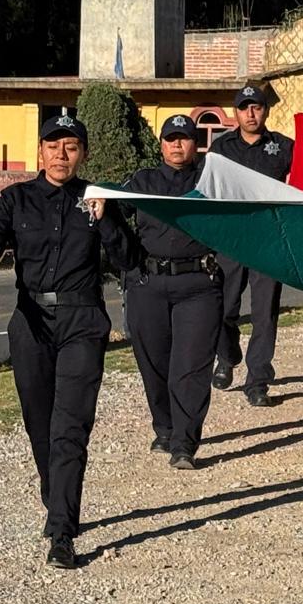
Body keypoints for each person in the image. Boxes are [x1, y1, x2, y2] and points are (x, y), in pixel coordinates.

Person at [0, 115, 137, 570]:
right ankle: (55, 493)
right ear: (40, 151)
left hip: (82, 319)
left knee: (70, 426)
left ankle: (62, 530)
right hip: (32, 320)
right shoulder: (16, 199)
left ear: (83, 154)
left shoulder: (96, 200)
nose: (62, 154)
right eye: (54, 146)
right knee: (40, 422)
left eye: (72, 146)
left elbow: (128, 258)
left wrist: (106, 221)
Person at [121, 114, 223, 470]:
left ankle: (185, 442)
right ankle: (164, 428)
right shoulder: (142, 181)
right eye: (170, 138)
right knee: (154, 364)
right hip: (149, 284)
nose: (177, 145)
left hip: (198, 285)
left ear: (196, 144)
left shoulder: (212, 180)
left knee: (191, 366)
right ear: (161, 144)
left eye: (184, 138)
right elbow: (114, 213)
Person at [210, 84, 295, 406]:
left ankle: (257, 380)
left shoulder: (283, 147)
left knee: (264, 314)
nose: (250, 113)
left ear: (266, 110)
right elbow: (208, 191)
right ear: (236, 112)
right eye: (244, 107)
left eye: (256, 107)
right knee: (223, 308)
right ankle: (228, 356)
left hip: (268, 241)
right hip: (230, 241)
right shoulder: (220, 149)